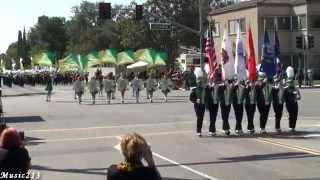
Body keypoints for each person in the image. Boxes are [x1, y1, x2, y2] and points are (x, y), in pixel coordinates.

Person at [189, 68, 208, 136]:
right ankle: (198, 130)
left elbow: (206, 97)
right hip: (197, 105)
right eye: (198, 81)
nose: (200, 82)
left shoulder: (204, 89)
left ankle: (199, 130)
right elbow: (190, 98)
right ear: (197, 82)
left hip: (203, 105)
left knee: (201, 117)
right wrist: (195, 100)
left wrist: (206, 105)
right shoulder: (194, 89)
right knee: (199, 117)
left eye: (201, 81)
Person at [284, 67, 301, 132]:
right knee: (292, 114)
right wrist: (295, 93)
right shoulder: (286, 81)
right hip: (289, 100)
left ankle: (292, 127)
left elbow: (296, 89)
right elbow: (287, 90)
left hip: (294, 100)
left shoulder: (294, 81)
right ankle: (291, 127)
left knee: (294, 114)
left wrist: (298, 94)